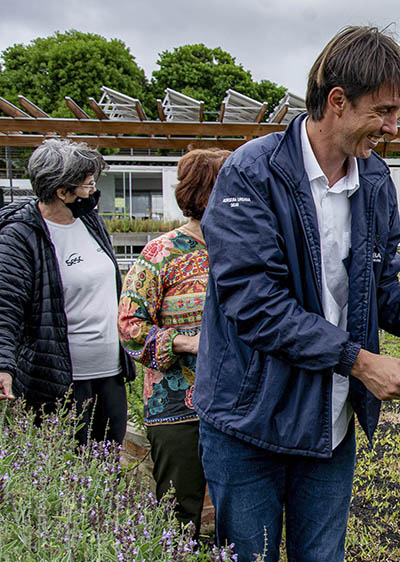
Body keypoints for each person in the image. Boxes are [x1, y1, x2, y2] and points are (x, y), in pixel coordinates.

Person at [192, 27, 400, 562]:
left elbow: (378, 284)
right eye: (383, 112)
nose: (391, 128)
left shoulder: (374, 179)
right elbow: (254, 303)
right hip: (251, 420)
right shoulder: (252, 172)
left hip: (330, 421)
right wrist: (359, 361)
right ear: (337, 101)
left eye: (399, 114)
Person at [118, 148, 230, 534]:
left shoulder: (245, 248)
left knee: (236, 515)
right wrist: (186, 343)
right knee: (180, 514)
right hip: (177, 408)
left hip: (240, 404)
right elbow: (129, 326)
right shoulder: (161, 254)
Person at [0, 139, 135, 444]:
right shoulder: (20, 237)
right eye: (88, 185)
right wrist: (3, 365)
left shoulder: (90, 221)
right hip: (58, 381)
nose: (93, 192)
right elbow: (5, 306)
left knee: (108, 464)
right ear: (62, 192)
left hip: (109, 372)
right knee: (67, 462)